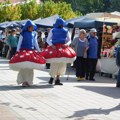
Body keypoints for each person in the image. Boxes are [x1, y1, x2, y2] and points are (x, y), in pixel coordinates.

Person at [9, 20, 46, 87]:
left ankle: (29, 81)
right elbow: (19, 43)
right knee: (24, 67)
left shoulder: (34, 33)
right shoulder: (23, 33)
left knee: (30, 67)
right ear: (28, 27)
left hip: (31, 52)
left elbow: (35, 43)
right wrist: (17, 51)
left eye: (33, 27)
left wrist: (39, 50)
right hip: (23, 51)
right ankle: (23, 81)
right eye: (31, 27)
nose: (32, 28)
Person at [41, 18, 76, 85]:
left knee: (62, 64)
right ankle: (51, 78)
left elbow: (69, 40)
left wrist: (67, 44)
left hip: (63, 48)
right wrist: (51, 45)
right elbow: (48, 39)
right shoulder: (53, 30)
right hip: (54, 48)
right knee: (54, 63)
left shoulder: (66, 31)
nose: (62, 25)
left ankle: (57, 79)